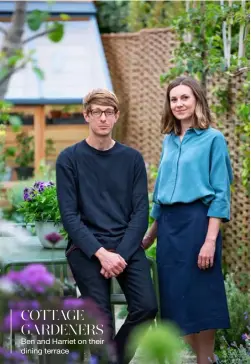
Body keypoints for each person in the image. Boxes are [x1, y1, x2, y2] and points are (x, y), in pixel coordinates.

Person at [56, 89, 158, 364]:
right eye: (97, 112)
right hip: (87, 248)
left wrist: (120, 255)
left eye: (109, 112)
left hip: (125, 245)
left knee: (148, 307)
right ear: (86, 115)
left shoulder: (132, 159)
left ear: (116, 116)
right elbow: (70, 216)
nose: (103, 118)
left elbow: (140, 212)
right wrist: (102, 254)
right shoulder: (69, 159)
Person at [142, 76, 232, 364]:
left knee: (201, 300)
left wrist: (209, 240)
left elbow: (220, 193)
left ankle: (204, 360)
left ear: (197, 101)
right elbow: (161, 191)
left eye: (185, 97)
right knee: (174, 304)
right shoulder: (168, 141)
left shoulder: (213, 139)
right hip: (168, 228)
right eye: (174, 99)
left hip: (198, 225)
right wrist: (150, 233)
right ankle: (208, 359)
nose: (179, 103)